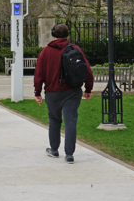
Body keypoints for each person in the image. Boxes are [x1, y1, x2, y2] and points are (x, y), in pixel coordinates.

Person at [34, 23, 94, 164]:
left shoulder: (46, 52)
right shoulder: (75, 49)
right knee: (70, 120)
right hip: (72, 91)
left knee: (54, 119)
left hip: (52, 92)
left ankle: (54, 149)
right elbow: (87, 71)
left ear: (53, 34)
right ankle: (69, 154)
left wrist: (37, 92)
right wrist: (88, 89)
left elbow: (38, 74)